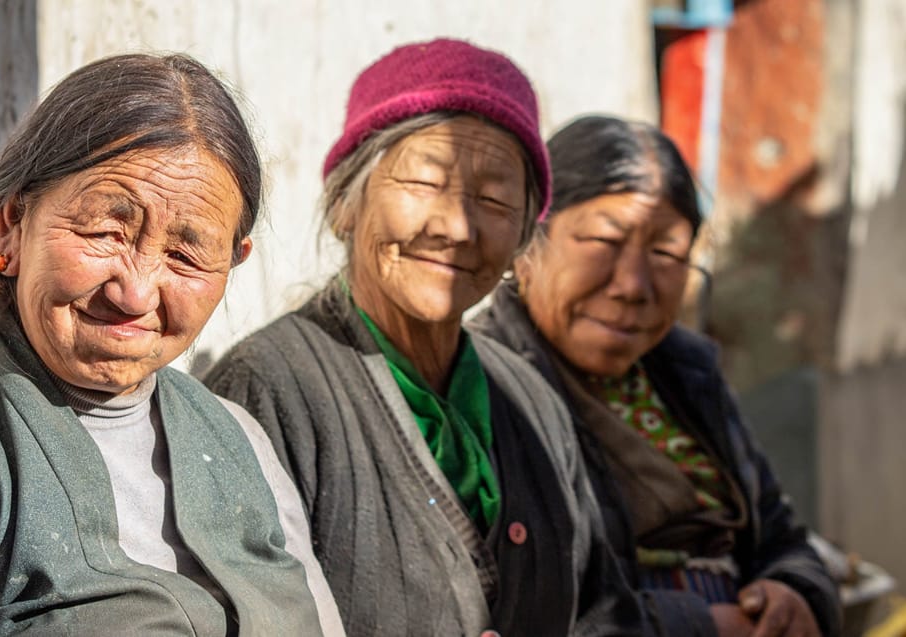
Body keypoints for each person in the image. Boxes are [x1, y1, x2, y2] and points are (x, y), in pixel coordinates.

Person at [0, 53, 344, 637]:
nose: (135, 290)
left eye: (185, 255)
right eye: (106, 232)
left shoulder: (238, 439)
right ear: (13, 225)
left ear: (233, 261)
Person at [203, 39, 642, 636]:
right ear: (345, 206)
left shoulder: (531, 399)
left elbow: (606, 612)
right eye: (425, 182)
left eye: (492, 199)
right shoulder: (264, 390)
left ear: (521, 234)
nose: (457, 228)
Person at [469, 114, 842, 637]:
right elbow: (527, 603)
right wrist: (702, 626)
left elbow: (780, 532)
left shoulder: (688, 374)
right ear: (530, 240)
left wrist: (794, 590)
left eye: (667, 253)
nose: (633, 285)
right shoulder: (482, 388)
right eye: (603, 240)